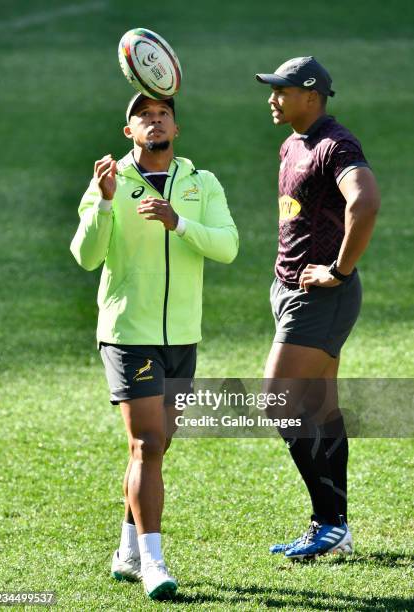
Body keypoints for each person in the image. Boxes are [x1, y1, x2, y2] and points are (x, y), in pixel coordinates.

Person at [70, 92, 238, 598]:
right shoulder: (110, 181)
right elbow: (86, 256)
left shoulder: (201, 183)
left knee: (157, 446)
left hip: (184, 334)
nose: (154, 120)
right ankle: (154, 563)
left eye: (163, 114)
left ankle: (124, 551)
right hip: (128, 334)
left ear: (176, 128)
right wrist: (101, 202)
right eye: (144, 116)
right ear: (130, 132)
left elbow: (227, 247)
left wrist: (178, 222)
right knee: (146, 443)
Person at [255, 57, 380, 560]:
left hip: (321, 296)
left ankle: (327, 520)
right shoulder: (292, 143)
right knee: (321, 408)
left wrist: (339, 270)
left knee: (276, 402)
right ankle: (337, 528)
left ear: (312, 95)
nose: (272, 98)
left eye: (281, 90)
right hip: (290, 292)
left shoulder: (335, 144)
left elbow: (365, 202)